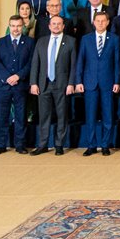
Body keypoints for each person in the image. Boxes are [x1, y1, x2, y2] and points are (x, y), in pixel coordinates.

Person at [29, 15, 77, 156]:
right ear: (49, 26)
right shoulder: (41, 41)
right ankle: (43, 145)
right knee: (44, 116)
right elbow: (35, 64)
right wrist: (33, 83)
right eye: (53, 24)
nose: (56, 26)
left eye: (59, 24)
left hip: (62, 84)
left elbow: (73, 65)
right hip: (43, 84)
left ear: (63, 26)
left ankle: (59, 144)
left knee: (62, 115)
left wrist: (71, 83)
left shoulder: (71, 41)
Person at [76, 12, 120, 156]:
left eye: (103, 21)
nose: (100, 23)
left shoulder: (114, 39)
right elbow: (80, 61)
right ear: (93, 22)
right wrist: (78, 81)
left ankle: (105, 145)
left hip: (108, 82)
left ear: (108, 22)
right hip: (90, 82)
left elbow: (117, 62)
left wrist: (117, 81)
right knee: (90, 116)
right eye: (98, 21)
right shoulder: (85, 39)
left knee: (108, 115)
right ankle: (91, 145)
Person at [0, 15, 34, 156]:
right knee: (2, 116)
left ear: (23, 26)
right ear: (9, 26)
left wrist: (18, 76)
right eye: (13, 26)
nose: (16, 29)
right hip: (3, 85)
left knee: (21, 116)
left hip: (20, 85)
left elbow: (31, 63)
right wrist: (7, 77)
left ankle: (20, 145)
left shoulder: (29, 42)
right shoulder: (0, 42)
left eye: (18, 26)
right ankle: (1, 145)